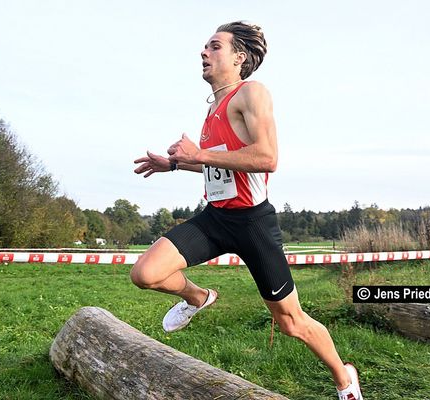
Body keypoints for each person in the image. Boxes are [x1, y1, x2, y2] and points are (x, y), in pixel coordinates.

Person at [132, 21, 363, 400]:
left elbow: (267, 157)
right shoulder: (213, 109)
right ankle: (197, 297)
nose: (204, 53)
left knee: (291, 322)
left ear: (239, 58)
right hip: (216, 218)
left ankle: (344, 377)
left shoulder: (251, 93)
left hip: (253, 222)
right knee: (146, 273)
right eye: (205, 47)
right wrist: (173, 164)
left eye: (214, 47)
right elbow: (220, 162)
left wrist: (198, 154)